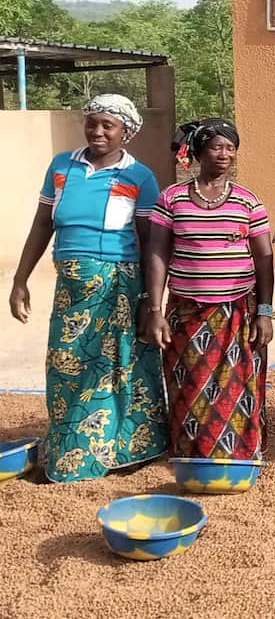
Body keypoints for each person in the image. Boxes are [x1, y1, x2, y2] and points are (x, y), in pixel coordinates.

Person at [9, 94, 167, 482]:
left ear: (125, 132)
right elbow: (43, 224)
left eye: (107, 125)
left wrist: (151, 299)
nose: (97, 131)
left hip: (118, 287)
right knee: (66, 363)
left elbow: (150, 242)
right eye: (91, 123)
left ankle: (128, 450)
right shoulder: (62, 166)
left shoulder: (138, 176)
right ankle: (70, 451)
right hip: (71, 289)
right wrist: (19, 279)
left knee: (118, 366)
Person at [142, 118, 274, 459]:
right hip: (187, 312)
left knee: (236, 385)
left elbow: (263, 259)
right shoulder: (172, 198)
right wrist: (155, 311)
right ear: (199, 151)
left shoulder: (247, 201)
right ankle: (192, 453)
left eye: (231, 148)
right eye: (217, 147)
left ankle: (239, 453)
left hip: (237, 312)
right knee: (191, 384)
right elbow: (158, 254)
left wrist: (265, 312)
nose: (224, 154)